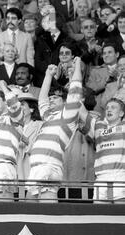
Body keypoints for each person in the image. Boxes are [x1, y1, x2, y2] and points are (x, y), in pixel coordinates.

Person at [26, 57, 83, 202]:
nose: (51, 99)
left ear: (65, 101)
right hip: (35, 169)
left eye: (56, 98)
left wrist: (77, 66)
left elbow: (75, 89)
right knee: (27, 214)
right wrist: (48, 75)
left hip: (49, 167)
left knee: (47, 215)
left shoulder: (68, 116)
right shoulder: (48, 116)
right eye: (51, 97)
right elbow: (42, 99)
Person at [78, 96, 125, 202]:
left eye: (113, 107)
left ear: (121, 113)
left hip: (120, 175)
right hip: (101, 178)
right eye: (107, 107)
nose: (109, 109)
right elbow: (82, 112)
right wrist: (76, 97)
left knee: (119, 215)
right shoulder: (98, 126)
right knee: (99, 214)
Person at [16, 93, 42, 181]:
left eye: (22, 104)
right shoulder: (13, 125)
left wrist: (25, 139)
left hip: (29, 171)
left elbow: (40, 149)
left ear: (31, 109)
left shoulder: (40, 125)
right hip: (13, 173)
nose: (19, 107)